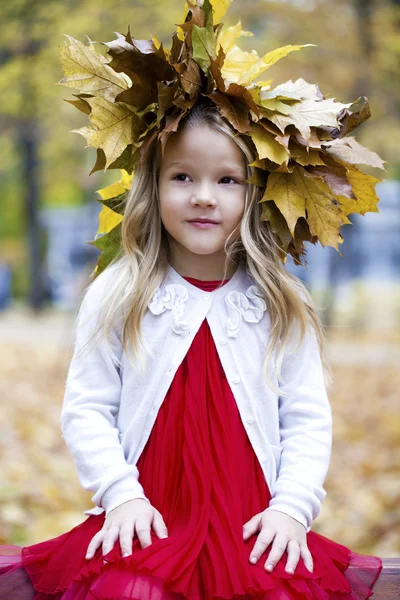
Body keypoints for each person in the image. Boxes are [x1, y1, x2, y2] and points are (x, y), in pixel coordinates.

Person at [0, 1, 385, 598]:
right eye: (183, 177)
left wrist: (292, 509)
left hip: (253, 525)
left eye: (227, 180)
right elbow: (88, 408)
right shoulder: (120, 292)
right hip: (145, 520)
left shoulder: (281, 302)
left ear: (258, 192)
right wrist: (119, 495)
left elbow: (306, 419)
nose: (204, 196)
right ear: (152, 187)